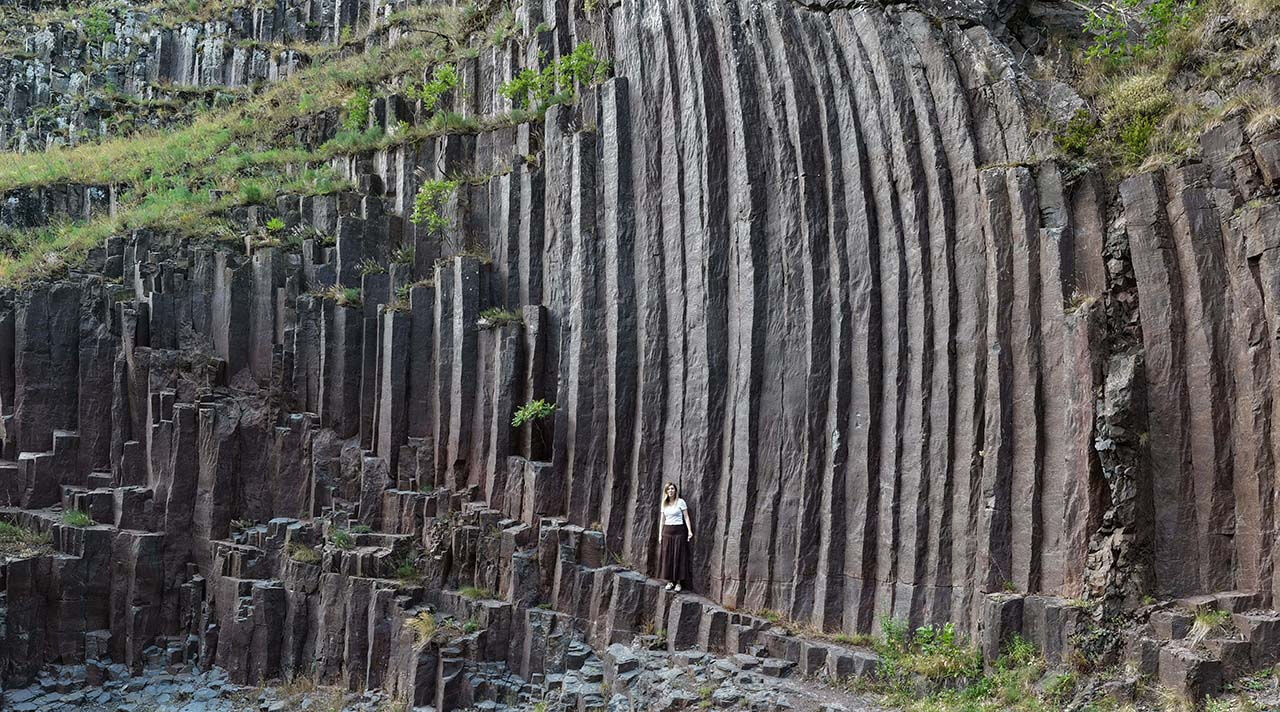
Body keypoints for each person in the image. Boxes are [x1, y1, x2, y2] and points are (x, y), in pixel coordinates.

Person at [657, 482, 693, 591]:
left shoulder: (681, 502)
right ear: (666, 492)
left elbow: (686, 517)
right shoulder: (664, 504)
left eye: (672, 489)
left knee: (679, 556)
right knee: (668, 557)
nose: (670, 491)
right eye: (668, 489)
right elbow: (662, 520)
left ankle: (678, 583)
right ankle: (669, 582)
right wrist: (660, 535)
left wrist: (689, 531)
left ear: (675, 491)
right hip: (667, 532)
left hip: (679, 532)